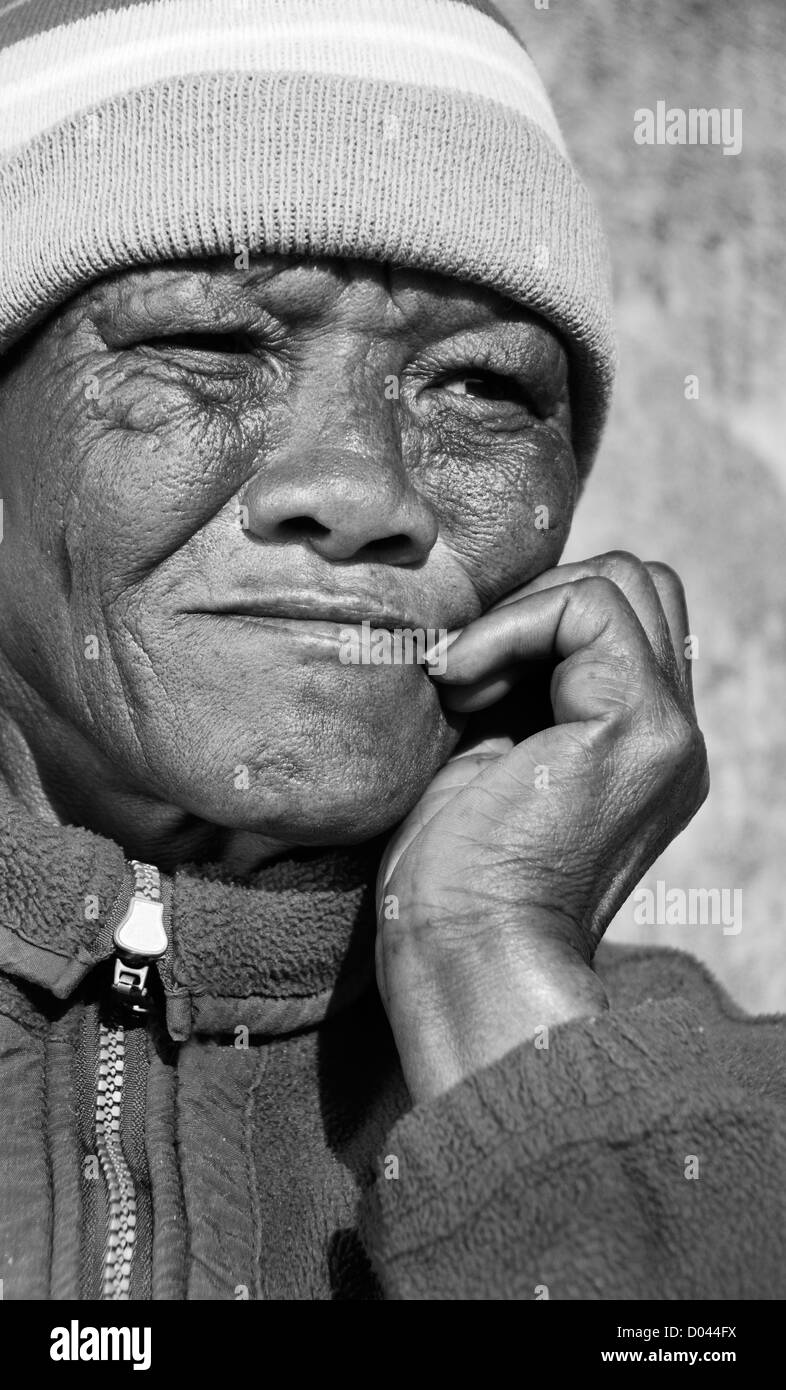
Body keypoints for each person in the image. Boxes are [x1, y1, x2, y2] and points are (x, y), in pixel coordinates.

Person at [0, 0, 783, 1302]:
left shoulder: (710, 1144)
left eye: (476, 385)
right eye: (205, 342)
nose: (360, 488)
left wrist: (491, 977)